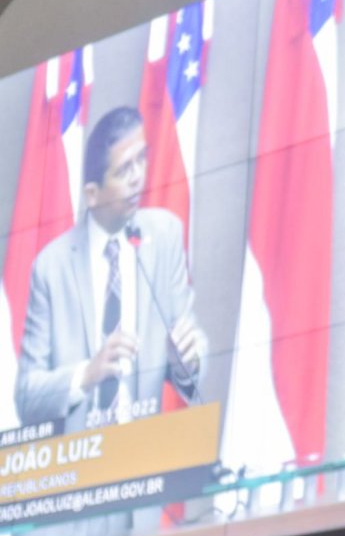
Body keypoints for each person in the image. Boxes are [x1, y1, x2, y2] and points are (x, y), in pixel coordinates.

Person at [15, 106, 206, 433]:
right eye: (124, 170)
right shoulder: (52, 266)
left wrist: (184, 361)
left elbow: (191, 375)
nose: (138, 177)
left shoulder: (164, 236)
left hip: (146, 461)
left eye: (141, 160)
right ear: (92, 194)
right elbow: (27, 396)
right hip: (75, 469)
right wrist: (87, 375)